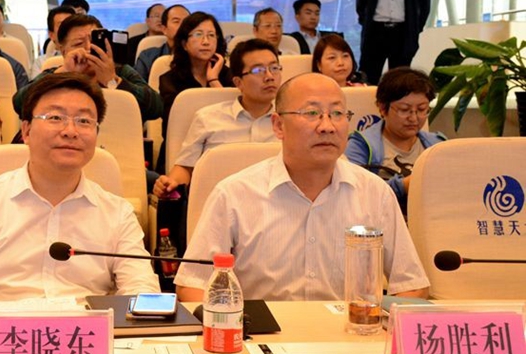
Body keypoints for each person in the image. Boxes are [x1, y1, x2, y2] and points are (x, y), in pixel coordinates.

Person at [175, 73, 430, 301]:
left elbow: (411, 286)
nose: (327, 126)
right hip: (256, 335)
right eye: (311, 114)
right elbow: (194, 285)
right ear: (278, 125)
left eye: (337, 114)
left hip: (351, 332)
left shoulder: (374, 192)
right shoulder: (234, 194)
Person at [0, 73, 160, 303]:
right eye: (55, 117)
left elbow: (141, 288)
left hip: (84, 325)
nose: (70, 131)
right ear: (26, 131)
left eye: (84, 121)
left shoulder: (118, 213)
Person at [153, 39, 280, 198]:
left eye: (274, 68)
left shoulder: (290, 121)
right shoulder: (208, 118)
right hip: (217, 203)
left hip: (276, 203)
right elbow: (185, 167)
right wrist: (170, 183)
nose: (269, 76)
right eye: (258, 70)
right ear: (238, 82)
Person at [14, 14, 163, 123]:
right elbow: (19, 103)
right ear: (64, 51)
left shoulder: (119, 71)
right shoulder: (55, 74)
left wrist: (112, 81)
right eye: (78, 44)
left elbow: (155, 108)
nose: (88, 48)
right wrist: (64, 73)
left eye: (94, 42)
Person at [345, 68, 445, 214]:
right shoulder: (361, 145)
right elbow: (353, 193)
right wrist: (403, 186)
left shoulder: (437, 145)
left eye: (421, 109)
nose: (413, 118)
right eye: (404, 110)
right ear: (382, 108)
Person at [158, 11, 230, 145]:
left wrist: (213, 81)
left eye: (211, 35)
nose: (206, 42)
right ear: (184, 44)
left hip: (222, 145)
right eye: (198, 35)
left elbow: (234, 122)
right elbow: (171, 129)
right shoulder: (169, 80)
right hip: (182, 146)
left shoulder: (230, 76)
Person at [134, 4, 189, 82]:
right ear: (164, 29)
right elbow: (137, 86)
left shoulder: (199, 56)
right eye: (176, 21)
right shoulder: (147, 57)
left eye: (186, 22)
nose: (183, 26)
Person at [35, 5, 77, 75]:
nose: (68, 29)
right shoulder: (41, 62)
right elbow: (36, 82)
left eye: (71, 25)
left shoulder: (88, 59)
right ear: (51, 35)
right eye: (61, 25)